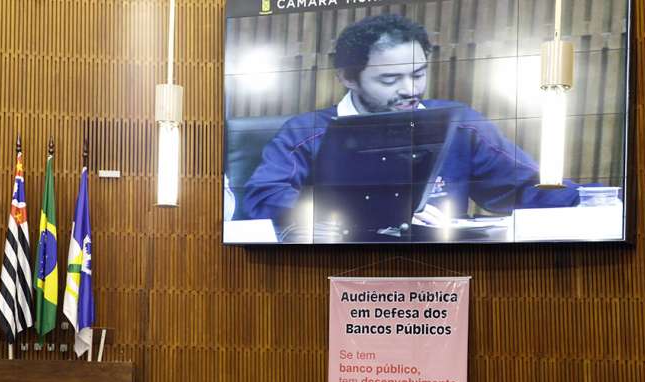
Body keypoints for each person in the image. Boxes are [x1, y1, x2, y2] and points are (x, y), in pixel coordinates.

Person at [242, 14, 580, 232]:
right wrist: (349, 215)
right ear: (348, 77)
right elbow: (262, 198)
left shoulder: (460, 124)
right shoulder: (307, 132)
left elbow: (523, 187)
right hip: (334, 271)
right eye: (390, 79)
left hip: (443, 274)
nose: (410, 89)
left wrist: (595, 203)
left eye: (418, 74)